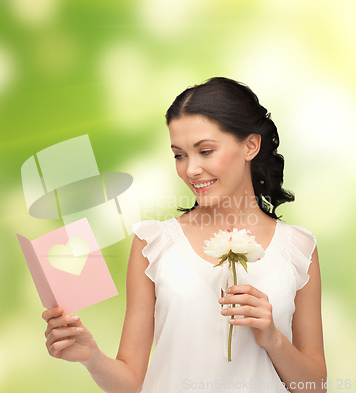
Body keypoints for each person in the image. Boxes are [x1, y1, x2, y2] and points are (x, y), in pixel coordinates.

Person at [41, 77, 326, 393]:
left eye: (205, 151)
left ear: (250, 145)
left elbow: (314, 386)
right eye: (179, 155)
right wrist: (91, 357)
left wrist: (272, 338)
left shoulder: (298, 248)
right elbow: (131, 382)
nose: (190, 170)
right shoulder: (154, 245)